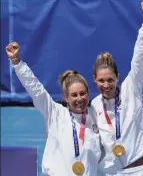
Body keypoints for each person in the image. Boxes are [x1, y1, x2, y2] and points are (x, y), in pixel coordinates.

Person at [91, 0, 143, 176]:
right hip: (114, 173)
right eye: (101, 81)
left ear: (118, 77)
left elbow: (140, 55)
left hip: (142, 171)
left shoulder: (131, 88)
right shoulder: (94, 105)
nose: (106, 85)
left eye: (110, 79)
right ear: (94, 80)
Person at [6, 42, 102, 176]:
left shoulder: (96, 121)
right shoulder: (55, 113)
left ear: (88, 94)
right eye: (74, 95)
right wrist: (17, 62)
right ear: (66, 98)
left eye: (82, 93)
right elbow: (36, 89)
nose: (79, 99)